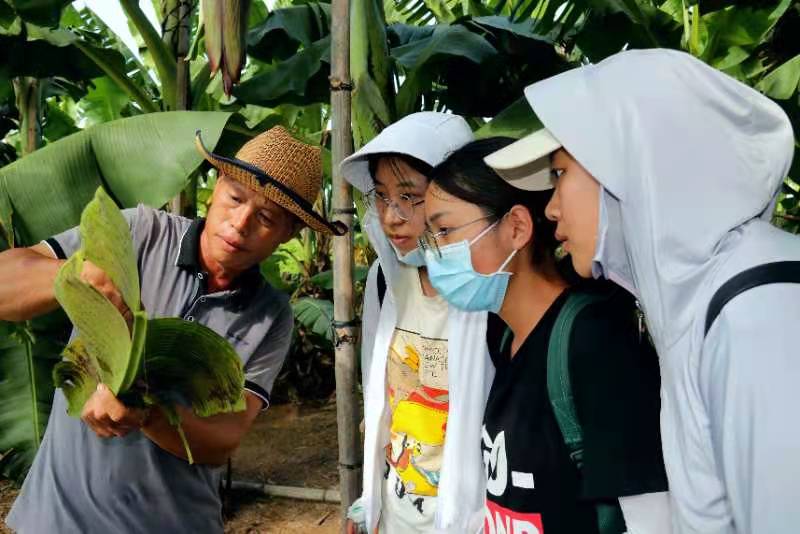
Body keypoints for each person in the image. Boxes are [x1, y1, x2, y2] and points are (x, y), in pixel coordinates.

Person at [484, 48, 800, 533]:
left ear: (635, 163)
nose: (550, 208)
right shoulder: (693, 300)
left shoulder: (754, 304)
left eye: (561, 174)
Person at [2, 126, 346, 533]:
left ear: (290, 233)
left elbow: (222, 441)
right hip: (57, 521)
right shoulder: (138, 233)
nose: (240, 223)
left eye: (266, 218)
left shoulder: (270, 316)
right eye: (235, 199)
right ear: (215, 188)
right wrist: (75, 276)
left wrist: (146, 413)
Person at [421, 137, 672, 533]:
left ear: (517, 227)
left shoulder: (594, 341)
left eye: (445, 231)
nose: (434, 253)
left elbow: (651, 518)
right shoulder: (503, 337)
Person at [339, 112, 492, 533]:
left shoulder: (489, 289)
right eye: (383, 197)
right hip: (398, 515)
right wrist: (371, 501)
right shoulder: (385, 281)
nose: (392, 216)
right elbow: (381, 400)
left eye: (410, 196)